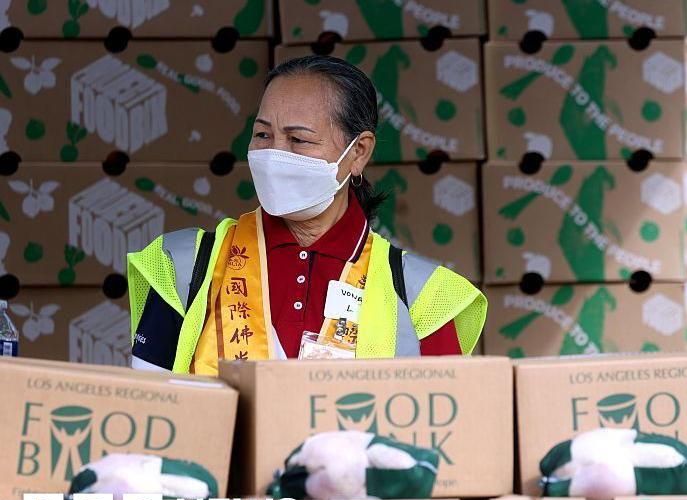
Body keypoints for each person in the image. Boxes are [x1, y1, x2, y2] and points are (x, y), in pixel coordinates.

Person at [127, 55, 486, 374]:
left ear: (358, 152)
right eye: (262, 134)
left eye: (298, 140)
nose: (274, 154)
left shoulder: (422, 292)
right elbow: (153, 407)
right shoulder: (186, 265)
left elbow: (445, 416)